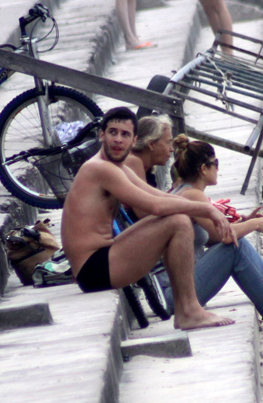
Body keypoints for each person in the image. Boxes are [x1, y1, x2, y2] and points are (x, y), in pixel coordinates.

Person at [123, 115, 263, 329]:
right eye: (215, 164)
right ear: (203, 169)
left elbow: (211, 237)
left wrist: (236, 221)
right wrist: (254, 225)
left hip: (170, 289)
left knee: (232, 245)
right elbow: (223, 237)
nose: (170, 148)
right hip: (170, 294)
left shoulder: (175, 190)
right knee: (236, 248)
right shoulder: (183, 191)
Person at [61, 107, 235, 331]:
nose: (118, 139)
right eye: (113, 132)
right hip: (93, 268)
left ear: (134, 140)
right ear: (101, 135)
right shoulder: (100, 168)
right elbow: (156, 206)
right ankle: (189, 311)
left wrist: (205, 207)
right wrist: (207, 210)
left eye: (125, 135)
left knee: (180, 218)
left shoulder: (118, 167)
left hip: (102, 258)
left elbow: (158, 195)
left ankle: (187, 309)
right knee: (178, 222)